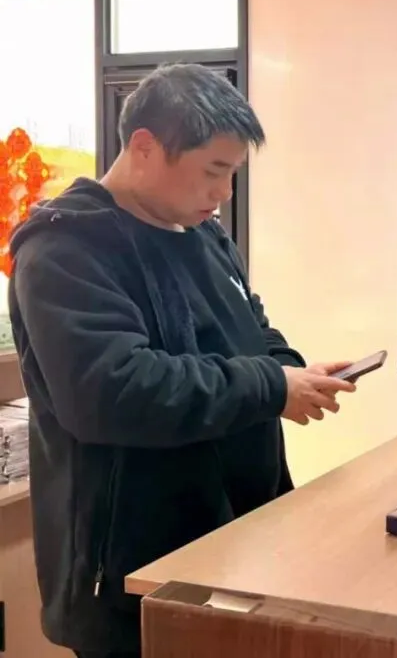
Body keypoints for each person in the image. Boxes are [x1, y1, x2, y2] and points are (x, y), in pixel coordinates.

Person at [8, 63, 359, 658]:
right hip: (132, 577)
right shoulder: (67, 250)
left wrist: (292, 370)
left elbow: (252, 328)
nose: (223, 193)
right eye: (213, 172)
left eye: (232, 174)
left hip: (234, 545)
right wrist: (270, 385)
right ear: (145, 148)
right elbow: (115, 391)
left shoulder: (202, 235)